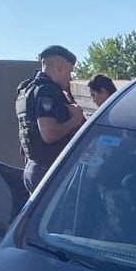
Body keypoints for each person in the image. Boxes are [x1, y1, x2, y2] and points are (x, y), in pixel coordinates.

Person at [16, 44, 85, 193]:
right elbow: (49, 134)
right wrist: (75, 119)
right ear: (60, 66)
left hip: (33, 169)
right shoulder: (47, 91)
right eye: (70, 71)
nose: (70, 77)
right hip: (48, 172)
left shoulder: (28, 90)